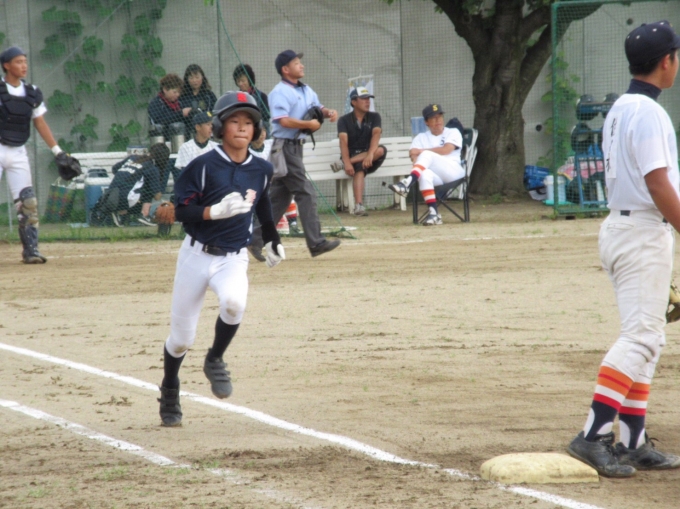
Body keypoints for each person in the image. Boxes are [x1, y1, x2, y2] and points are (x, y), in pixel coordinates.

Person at [566, 20, 680, 478]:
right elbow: (657, 182)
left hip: (624, 228)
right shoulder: (649, 112)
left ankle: (632, 442)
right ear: (666, 61)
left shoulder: (620, 107)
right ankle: (592, 435)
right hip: (641, 233)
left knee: (648, 336)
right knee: (641, 337)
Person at [157, 91, 285, 427]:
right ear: (219, 127)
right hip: (195, 255)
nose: (242, 127)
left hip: (233, 257)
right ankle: (170, 386)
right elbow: (180, 211)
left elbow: (262, 204)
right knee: (181, 340)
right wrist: (212, 212)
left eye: (248, 123)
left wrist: (272, 237)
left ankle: (214, 358)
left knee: (234, 303)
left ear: (256, 131)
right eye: (234, 121)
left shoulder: (262, 168)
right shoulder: (202, 165)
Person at [249, 50, 340, 261]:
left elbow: (318, 108)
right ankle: (316, 242)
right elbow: (283, 120)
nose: (301, 65)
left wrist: (328, 112)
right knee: (306, 192)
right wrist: (308, 124)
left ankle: (254, 239)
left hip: (295, 148)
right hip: (285, 148)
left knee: (279, 199)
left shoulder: (305, 89)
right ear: (285, 69)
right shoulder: (279, 92)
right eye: (297, 62)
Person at [0, 46, 69, 263]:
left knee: (28, 203)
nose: (24, 66)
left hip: (18, 151)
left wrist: (58, 151)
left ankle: (31, 251)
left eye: (25, 61)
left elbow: (39, 122)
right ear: (6, 65)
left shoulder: (32, 92)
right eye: (18, 62)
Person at [388, 103, 464, 225]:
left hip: (453, 172)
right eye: (433, 118)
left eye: (440, 116)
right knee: (424, 174)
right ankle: (434, 214)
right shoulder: (420, 137)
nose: (438, 120)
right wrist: (418, 155)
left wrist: (421, 151)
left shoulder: (453, 132)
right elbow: (414, 157)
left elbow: (446, 150)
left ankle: (407, 183)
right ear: (426, 122)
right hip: (436, 177)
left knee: (427, 154)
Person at [334, 86, 387, 216]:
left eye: (368, 98)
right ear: (353, 102)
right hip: (353, 157)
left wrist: (369, 155)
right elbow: (343, 142)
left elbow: (376, 135)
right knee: (359, 167)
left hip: (371, 157)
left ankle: (342, 164)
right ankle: (359, 205)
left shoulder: (375, 116)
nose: (367, 101)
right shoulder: (343, 120)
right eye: (363, 99)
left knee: (381, 150)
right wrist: (348, 162)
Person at [93, 143, 169, 227]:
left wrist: (128, 175)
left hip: (110, 195)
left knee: (138, 184)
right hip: (125, 199)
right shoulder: (152, 168)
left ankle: (120, 213)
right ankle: (144, 215)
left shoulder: (132, 158)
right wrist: (165, 201)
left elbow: (114, 169)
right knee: (148, 188)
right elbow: (157, 196)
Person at [173, 111, 219, 180]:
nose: (211, 127)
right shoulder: (186, 147)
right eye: (208, 124)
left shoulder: (216, 147)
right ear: (198, 127)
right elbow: (184, 173)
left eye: (212, 125)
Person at [148, 73, 192, 139]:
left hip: (182, 139)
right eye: (175, 92)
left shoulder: (180, 103)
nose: (177, 95)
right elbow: (159, 122)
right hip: (162, 140)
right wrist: (181, 114)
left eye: (179, 92)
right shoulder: (155, 104)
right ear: (165, 89)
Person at [233, 63, 270, 136]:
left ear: (250, 80)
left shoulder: (261, 96)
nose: (240, 84)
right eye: (238, 81)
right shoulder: (235, 97)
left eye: (243, 80)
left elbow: (266, 117)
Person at [180, 64, 217, 134]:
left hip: (207, 128)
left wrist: (206, 115)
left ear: (202, 78)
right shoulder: (182, 96)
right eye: (191, 78)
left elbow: (215, 112)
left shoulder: (209, 95)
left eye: (197, 77)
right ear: (187, 79)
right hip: (187, 130)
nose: (194, 80)